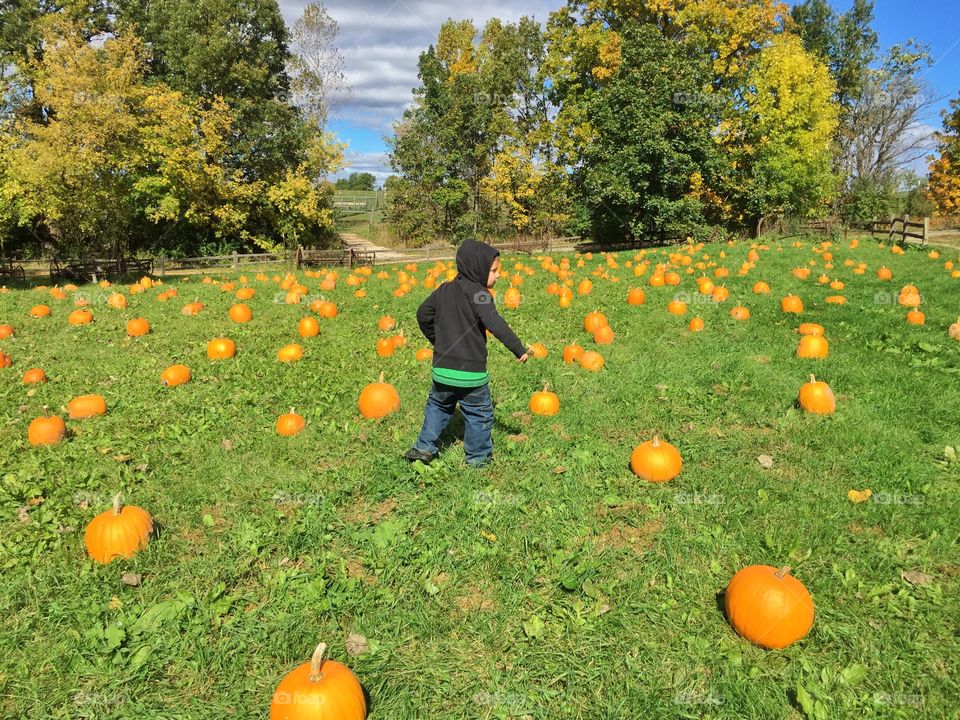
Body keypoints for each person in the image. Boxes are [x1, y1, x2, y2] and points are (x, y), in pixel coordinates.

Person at [405, 239, 529, 467]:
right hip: (471, 375)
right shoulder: (480, 295)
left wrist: (436, 339)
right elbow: (496, 324)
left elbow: (423, 314)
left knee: (438, 406)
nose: (498, 275)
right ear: (478, 269)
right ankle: (478, 458)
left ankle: (423, 447)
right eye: (494, 271)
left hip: (442, 370)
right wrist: (518, 348)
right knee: (479, 413)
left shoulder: (443, 290)